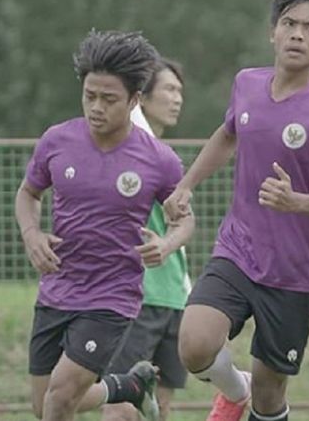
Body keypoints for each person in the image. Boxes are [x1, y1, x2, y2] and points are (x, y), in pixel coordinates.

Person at [165, 0, 309, 421]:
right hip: (238, 248)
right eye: (290, 23)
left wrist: (300, 202)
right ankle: (232, 390)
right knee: (195, 344)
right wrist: (186, 184)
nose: (298, 34)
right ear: (272, 32)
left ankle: (252, 397)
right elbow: (227, 135)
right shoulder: (246, 84)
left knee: (270, 395)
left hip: (295, 271)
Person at [15, 30, 195, 421]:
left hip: (111, 296)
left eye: (109, 99)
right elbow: (28, 194)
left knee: (60, 399)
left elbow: (186, 221)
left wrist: (166, 244)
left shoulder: (159, 160)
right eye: (89, 96)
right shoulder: (57, 140)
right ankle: (126, 387)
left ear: (134, 100)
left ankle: (122, 390)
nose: (96, 107)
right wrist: (32, 234)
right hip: (57, 288)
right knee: (42, 404)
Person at [102, 58, 189, 421]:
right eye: (169, 89)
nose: (177, 98)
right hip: (137, 297)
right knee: (121, 404)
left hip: (174, 296)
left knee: (161, 406)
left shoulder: (163, 156)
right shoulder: (127, 140)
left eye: (180, 91)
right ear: (141, 97)